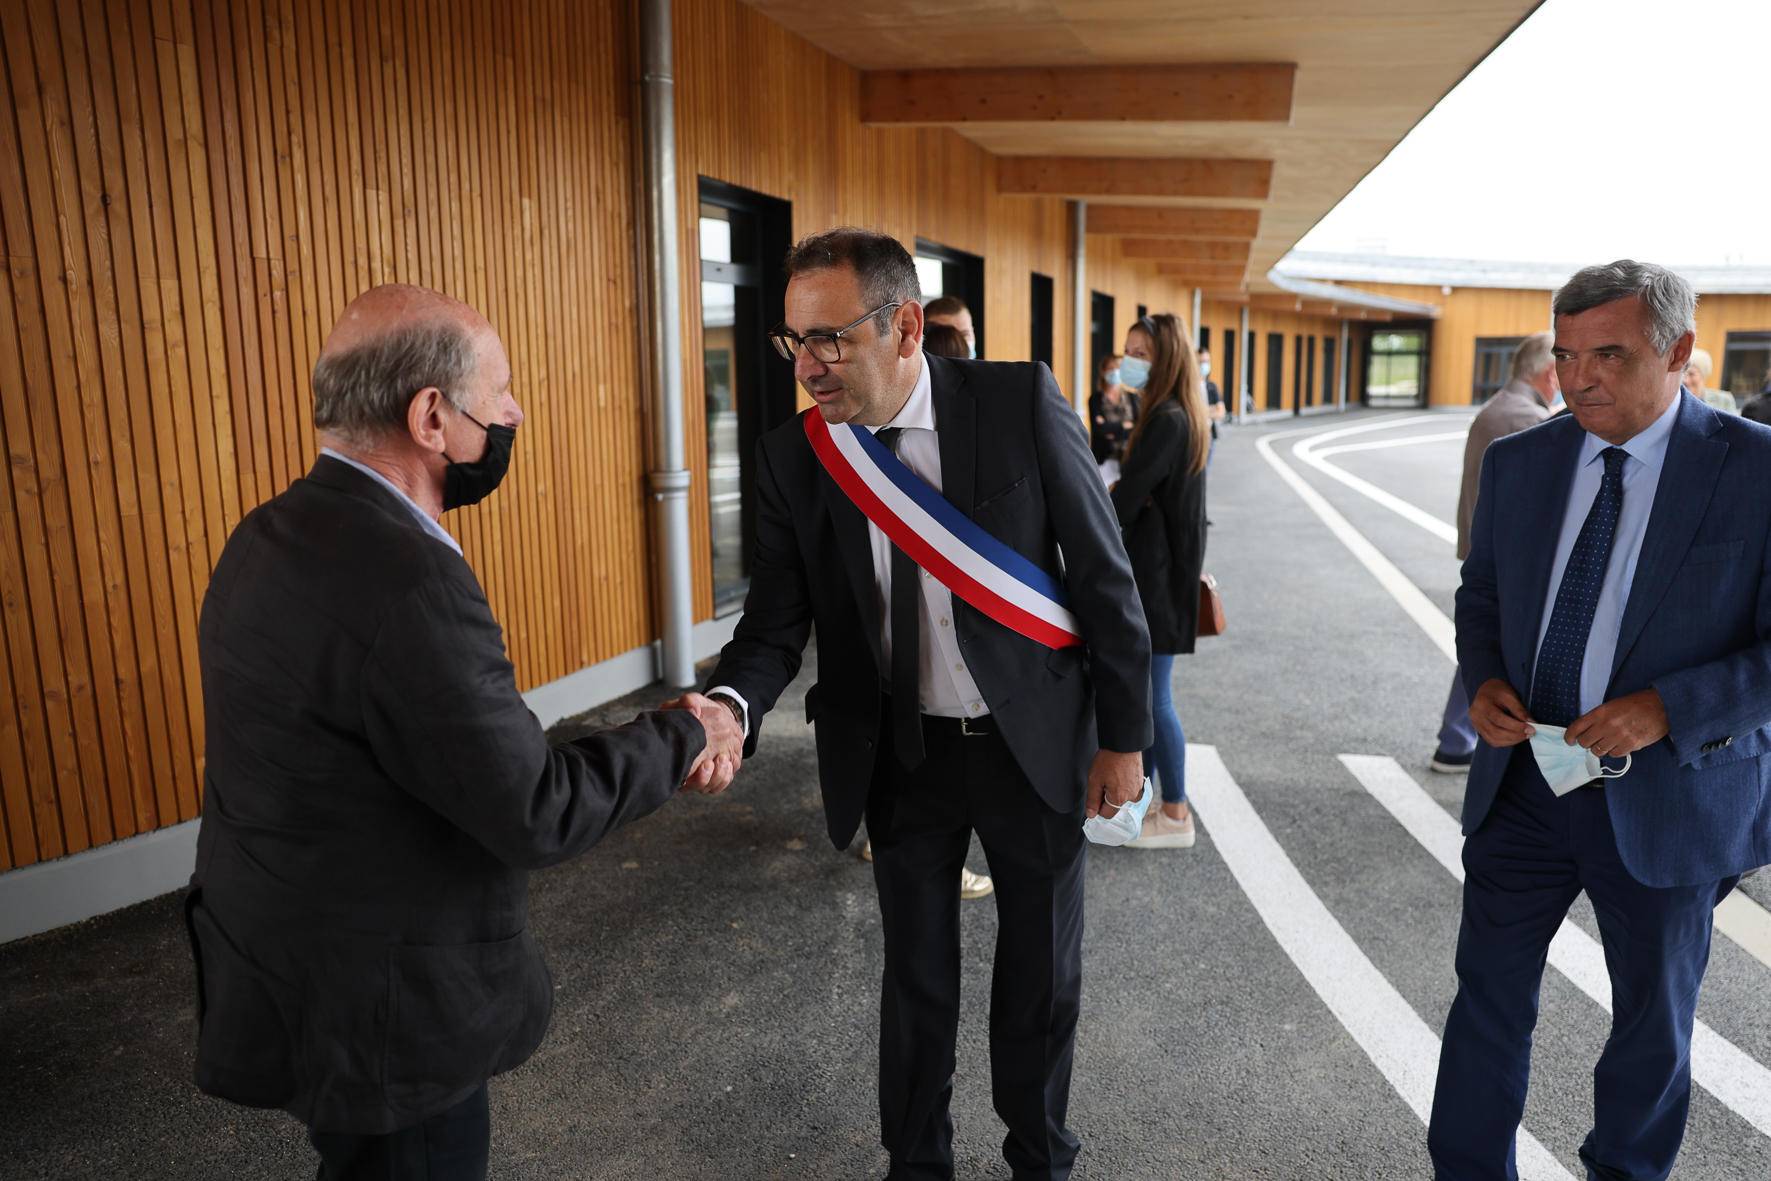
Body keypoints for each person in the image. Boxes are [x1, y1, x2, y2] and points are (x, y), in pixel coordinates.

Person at [186, 284, 744, 1181]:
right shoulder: (408, 582)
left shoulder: (267, 534)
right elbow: (533, 806)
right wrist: (687, 731)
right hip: (389, 1014)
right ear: (431, 417)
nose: (515, 411)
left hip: (289, 966)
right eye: (501, 391)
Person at [704, 228, 1151, 1181]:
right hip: (900, 754)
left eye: (830, 339)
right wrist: (730, 705)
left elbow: (1106, 579)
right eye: (795, 341)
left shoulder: (1015, 400)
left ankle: (1040, 1158)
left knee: (1039, 977)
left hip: (1032, 743)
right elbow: (774, 626)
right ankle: (917, 1164)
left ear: (906, 325)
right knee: (914, 980)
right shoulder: (796, 456)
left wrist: (1124, 738)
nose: (808, 365)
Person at [1430, 260, 1771, 1180]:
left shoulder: (1757, 469)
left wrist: (1667, 708)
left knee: (1649, 1028)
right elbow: (1482, 597)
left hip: (1670, 801)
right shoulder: (1520, 461)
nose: (1579, 378)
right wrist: (1485, 677)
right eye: (1570, 354)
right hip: (1525, 788)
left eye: (1610, 355)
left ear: (1680, 353)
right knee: (1485, 1005)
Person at [1432, 330, 1560, 774]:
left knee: (1484, 643)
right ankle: (1459, 738)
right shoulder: (1527, 418)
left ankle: (1455, 739)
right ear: (1550, 372)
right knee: (1491, 647)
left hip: (1482, 545)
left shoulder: (1498, 406)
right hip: (1510, 558)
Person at [1110, 313, 1209, 850]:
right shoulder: (1180, 413)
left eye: (1141, 353)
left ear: (1166, 358)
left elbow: (1126, 500)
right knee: (1149, 696)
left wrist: (1125, 492)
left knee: (1155, 700)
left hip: (1157, 578)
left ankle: (1174, 812)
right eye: (1128, 350)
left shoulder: (1166, 419)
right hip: (1165, 575)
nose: (1130, 360)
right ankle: (1148, 806)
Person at [1089, 352, 1140, 471]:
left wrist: (1111, 430)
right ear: (1103, 371)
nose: (1115, 372)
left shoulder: (1133, 398)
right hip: (1105, 459)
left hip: (1129, 457)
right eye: (1111, 368)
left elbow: (1139, 428)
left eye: (1118, 369)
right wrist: (1124, 425)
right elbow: (1099, 429)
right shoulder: (1096, 399)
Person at [1682, 346, 1737, 413]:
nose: (1686, 380)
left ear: (1703, 374)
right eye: (1682, 374)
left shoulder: (1723, 401)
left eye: (1692, 374)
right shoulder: (1672, 401)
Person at [1198, 343, 1225, 469]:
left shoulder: (1212, 387)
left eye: (1207, 361)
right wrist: (1209, 409)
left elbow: (1221, 412)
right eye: (1201, 361)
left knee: (1205, 471)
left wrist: (1202, 411)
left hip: (1209, 435)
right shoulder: (1187, 387)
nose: (1204, 365)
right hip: (1193, 436)